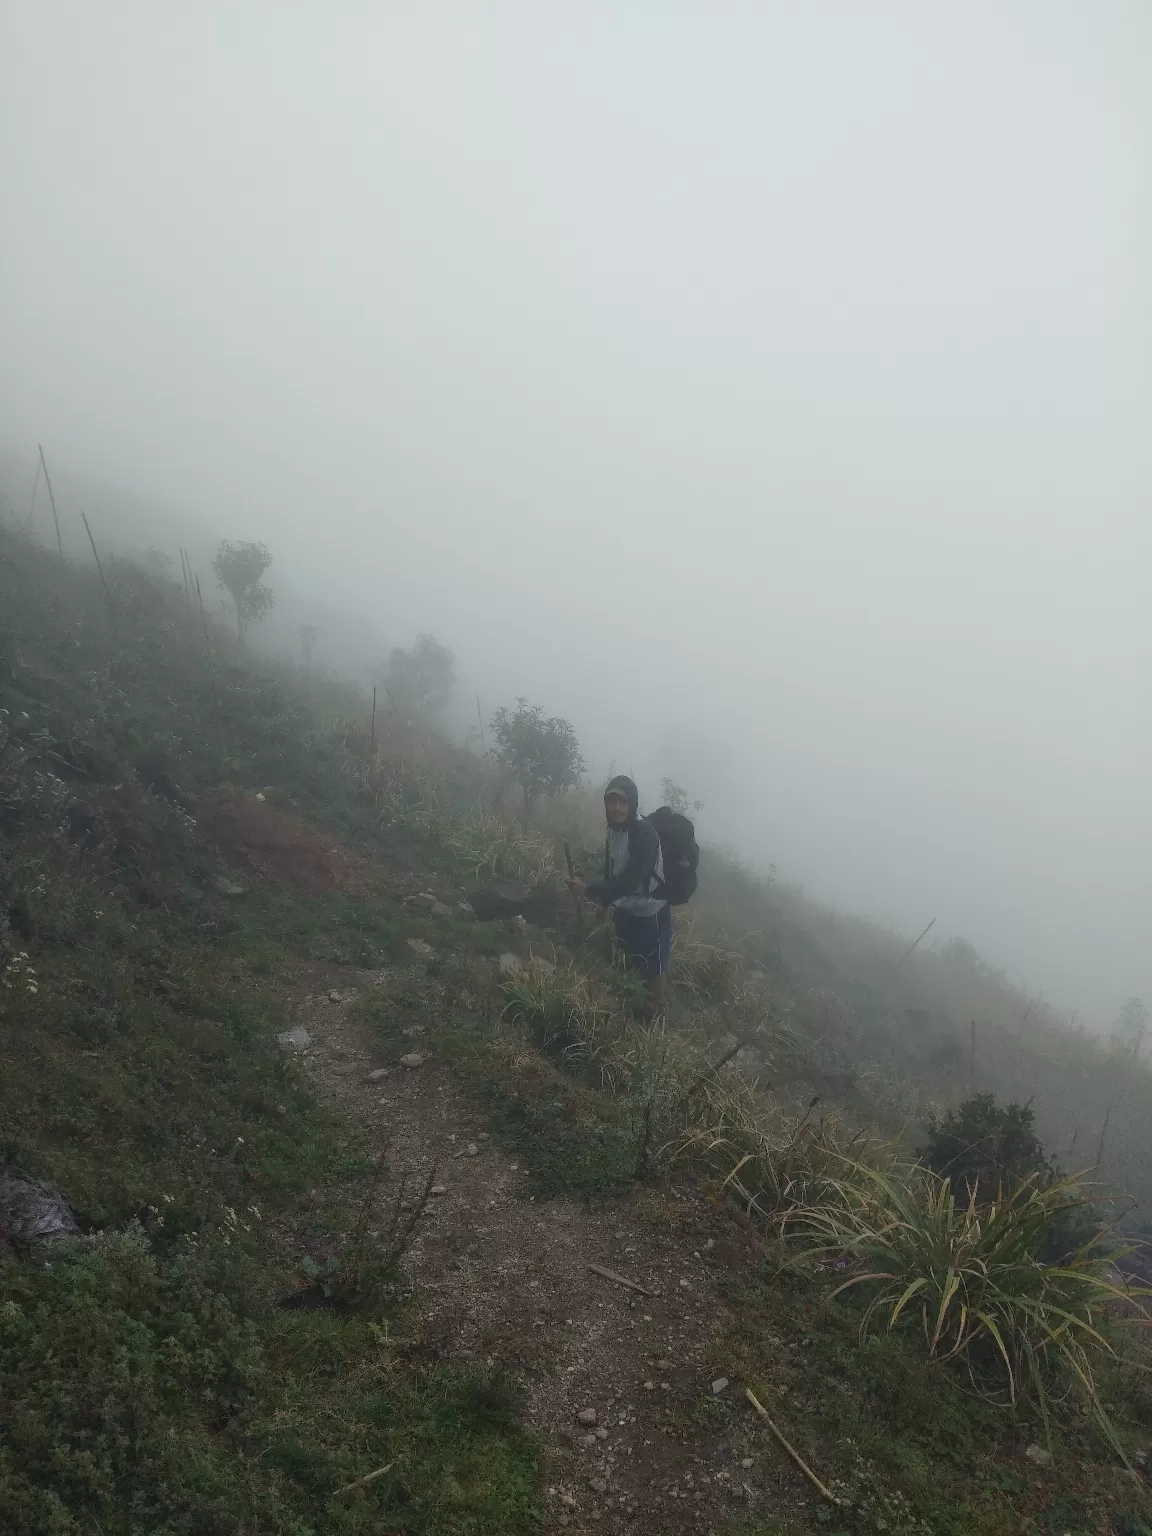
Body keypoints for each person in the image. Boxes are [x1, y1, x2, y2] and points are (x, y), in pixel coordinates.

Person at [567, 774, 670, 1020]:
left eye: (622, 802)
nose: (616, 808)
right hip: (626, 905)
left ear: (632, 803)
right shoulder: (615, 829)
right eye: (611, 801)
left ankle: (652, 1014)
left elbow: (631, 881)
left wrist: (589, 890)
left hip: (650, 908)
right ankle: (632, 997)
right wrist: (605, 901)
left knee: (653, 965)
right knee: (631, 953)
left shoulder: (644, 835)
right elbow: (612, 868)